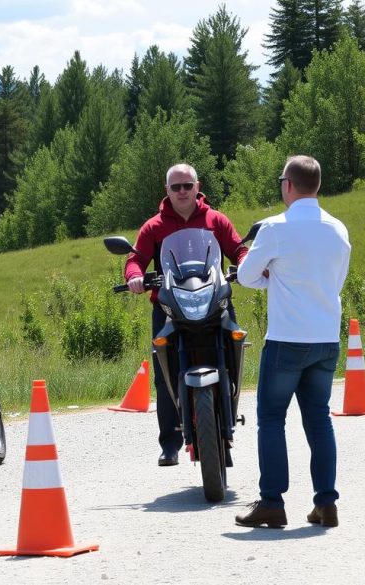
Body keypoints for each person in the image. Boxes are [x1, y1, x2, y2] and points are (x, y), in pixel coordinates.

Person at [233, 155, 351, 528]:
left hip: (287, 338)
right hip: (326, 338)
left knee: (271, 419)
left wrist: (274, 278)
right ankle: (326, 503)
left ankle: (272, 502)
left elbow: (246, 276)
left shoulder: (274, 228)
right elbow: (335, 281)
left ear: (287, 184)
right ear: (316, 185)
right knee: (319, 420)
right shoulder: (338, 229)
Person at [124, 163, 248, 467]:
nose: (182, 191)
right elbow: (135, 259)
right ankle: (170, 443)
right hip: (170, 307)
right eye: (176, 187)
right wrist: (135, 277)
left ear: (197, 186)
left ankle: (226, 422)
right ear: (167, 190)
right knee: (165, 372)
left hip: (213, 301)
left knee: (234, 348)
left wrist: (246, 264)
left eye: (187, 185)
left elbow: (238, 248)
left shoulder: (215, 220)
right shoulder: (154, 226)